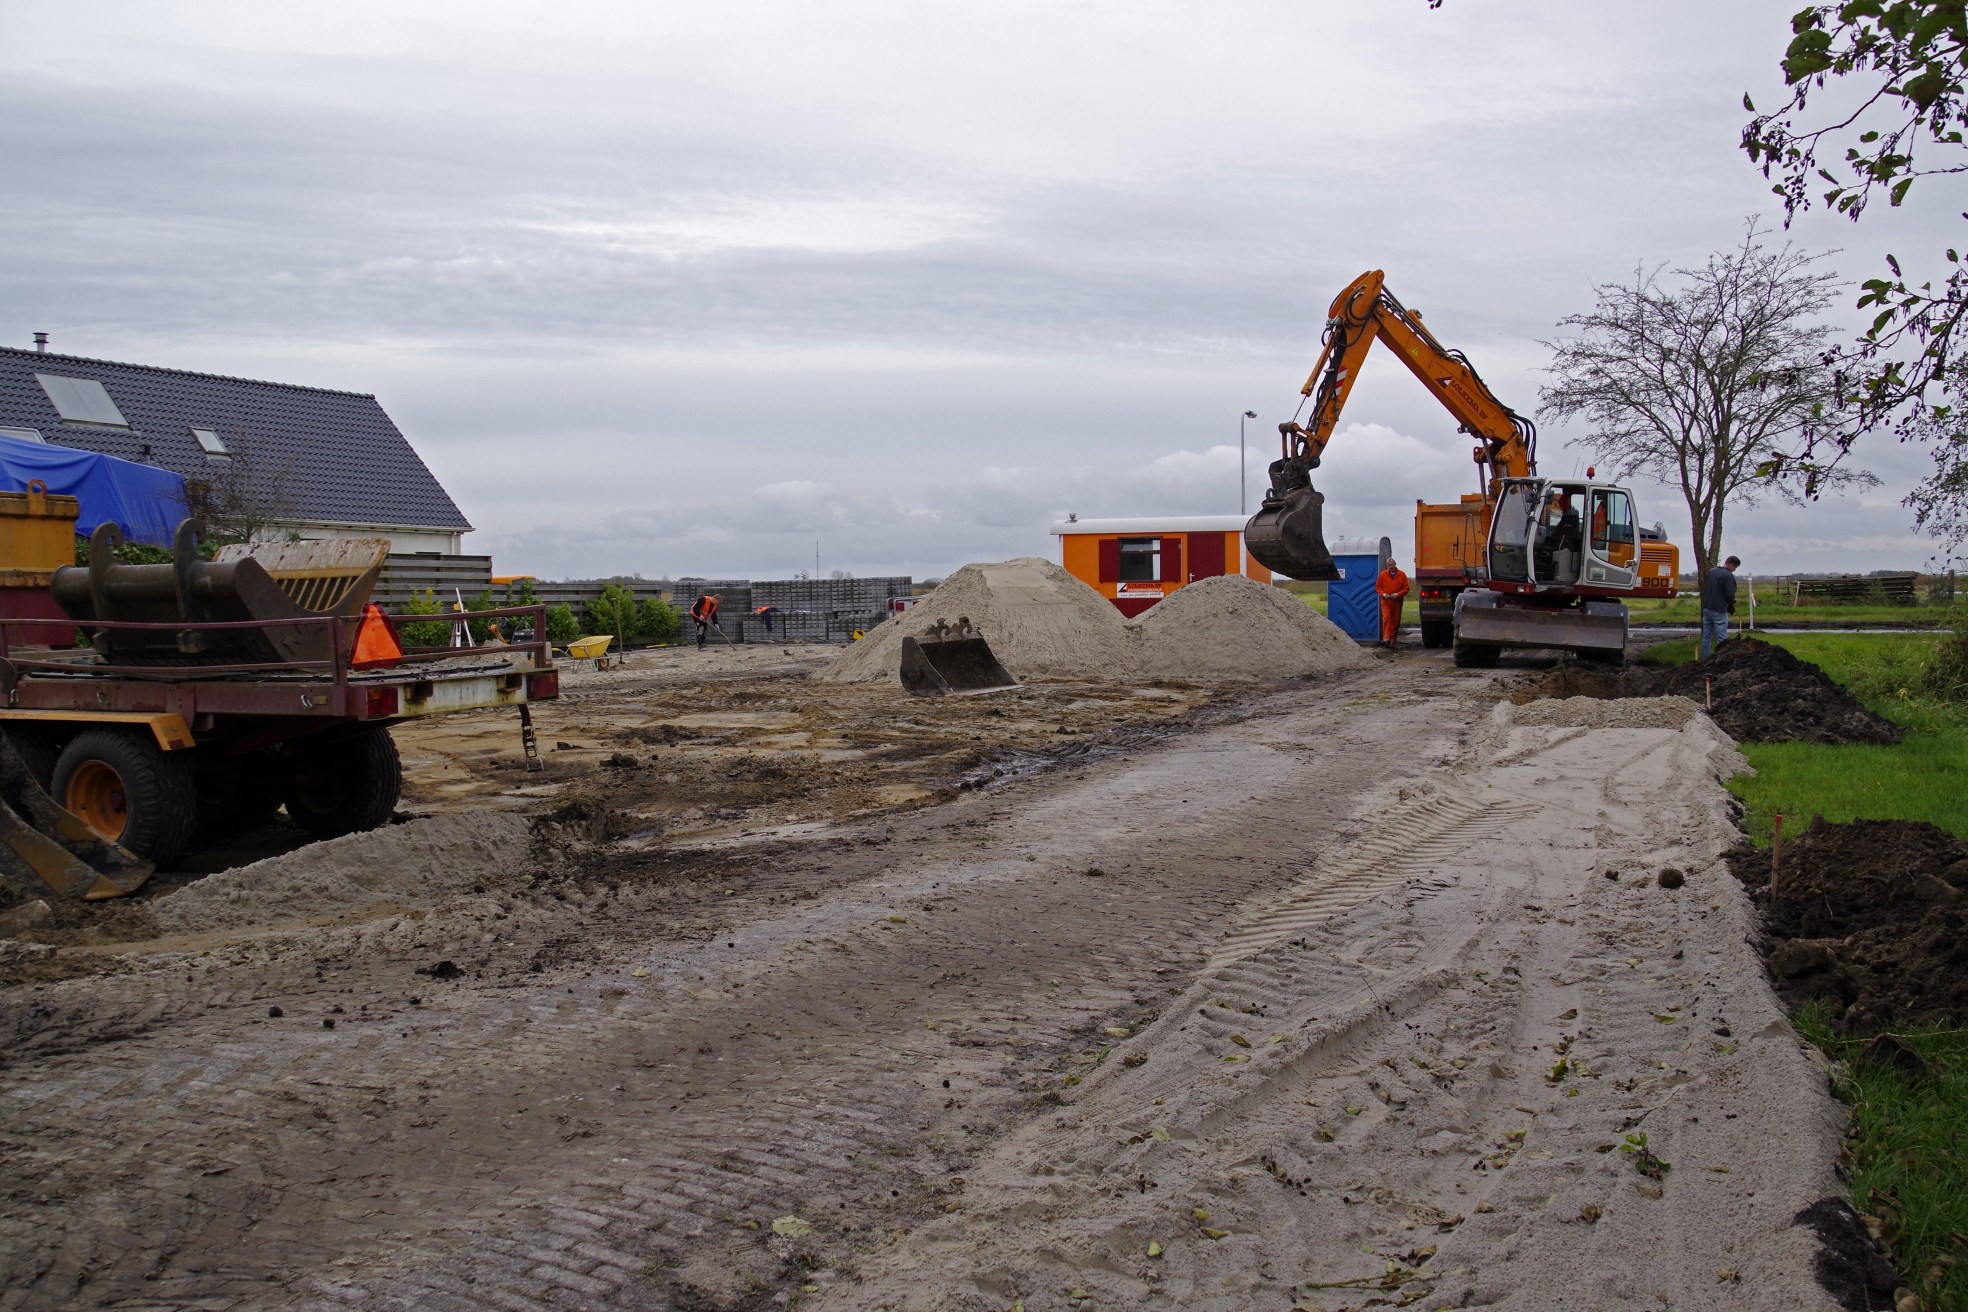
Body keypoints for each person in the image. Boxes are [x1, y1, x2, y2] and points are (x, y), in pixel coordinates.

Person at [1700, 556, 1739, 660]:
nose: (1734, 570)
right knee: (1721, 637)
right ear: (1731, 564)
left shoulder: (1712, 571)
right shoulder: (1727, 575)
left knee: (1706, 636)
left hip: (1707, 607)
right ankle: (1721, 660)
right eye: (1735, 568)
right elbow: (1730, 593)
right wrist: (1731, 604)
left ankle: (1705, 659)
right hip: (1719, 608)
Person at [1374, 559, 1411, 648]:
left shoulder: (1402, 574)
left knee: (1395, 620)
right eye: (1389, 565)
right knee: (1386, 618)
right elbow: (1378, 587)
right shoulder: (1383, 574)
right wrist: (1383, 594)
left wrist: (1398, 594)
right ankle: (1386, 638)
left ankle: (1392, 640)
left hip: (1397, 601)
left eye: (1392, 565)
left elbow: (1406, 588)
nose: (1391, 567)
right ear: (1387, 566)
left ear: (1395, 564)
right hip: (1386, 601)